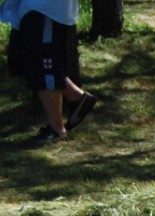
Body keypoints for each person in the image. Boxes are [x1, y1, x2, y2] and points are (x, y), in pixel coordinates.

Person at [8, 0, 98, 143]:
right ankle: (76, 97)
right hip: (27, 9)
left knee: (45, 67)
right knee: (28, 63)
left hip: (46, 10)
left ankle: (56, 129)